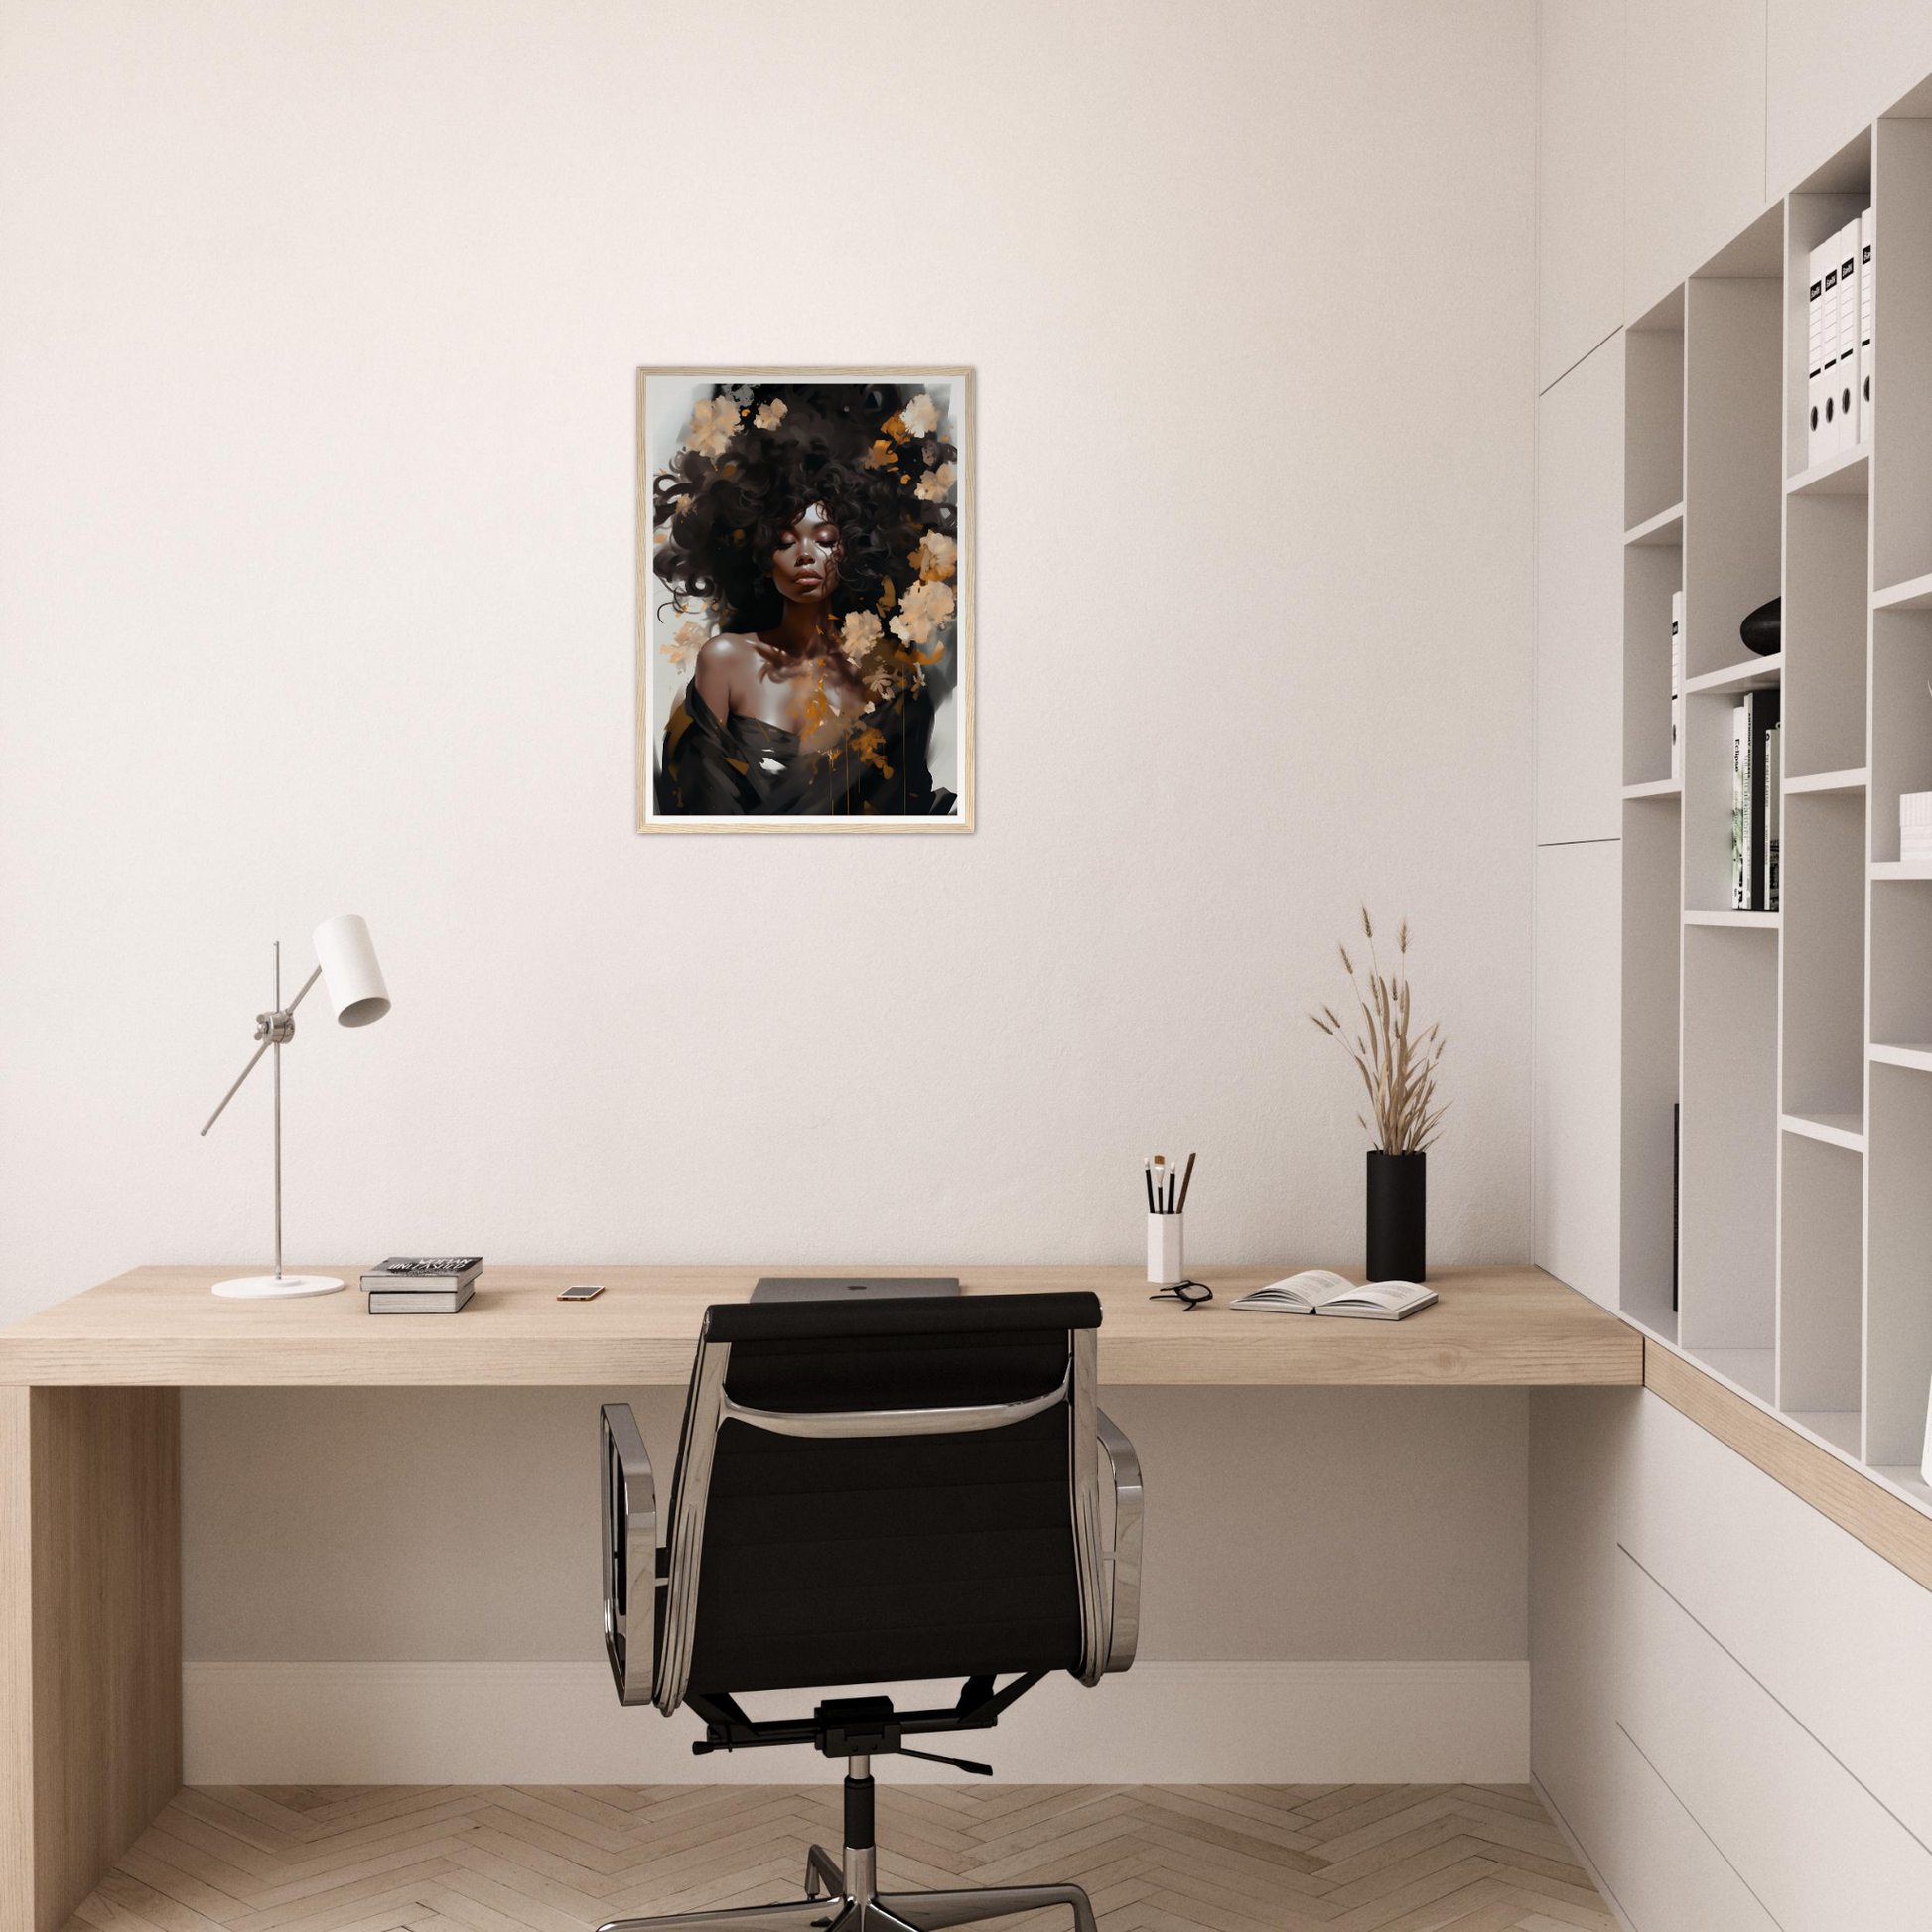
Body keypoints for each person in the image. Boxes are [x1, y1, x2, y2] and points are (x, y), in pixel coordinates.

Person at [650, 384, 960, 817]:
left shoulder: (888, 687)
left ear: (853, 546)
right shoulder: (726, 659)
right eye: (783, 540)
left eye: (826, 539)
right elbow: (699, 810)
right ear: (760, 554)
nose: (804, 555)